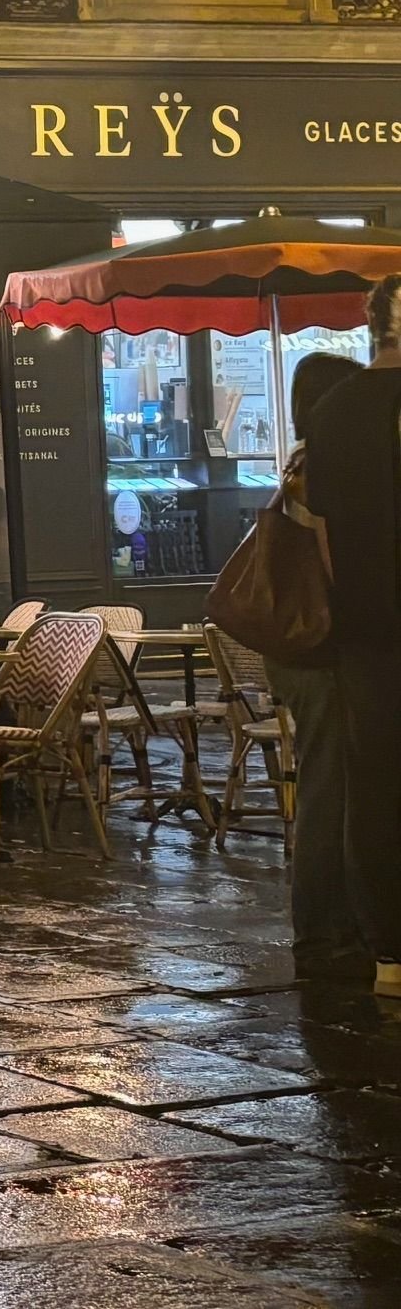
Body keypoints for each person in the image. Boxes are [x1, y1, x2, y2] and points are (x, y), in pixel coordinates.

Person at [299, 283, 401, 998]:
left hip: (365, 628)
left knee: (372, 785)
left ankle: (389, 948)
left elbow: (325, 542)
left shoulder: (332, 414)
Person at [271, 351, 368, 982]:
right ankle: (323, 923)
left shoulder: (297, 466)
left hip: (294, 651)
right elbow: (334, 566)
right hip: (318, 649)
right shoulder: (317, 471)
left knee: (326, 778)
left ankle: (328, 918)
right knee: (330, 783)